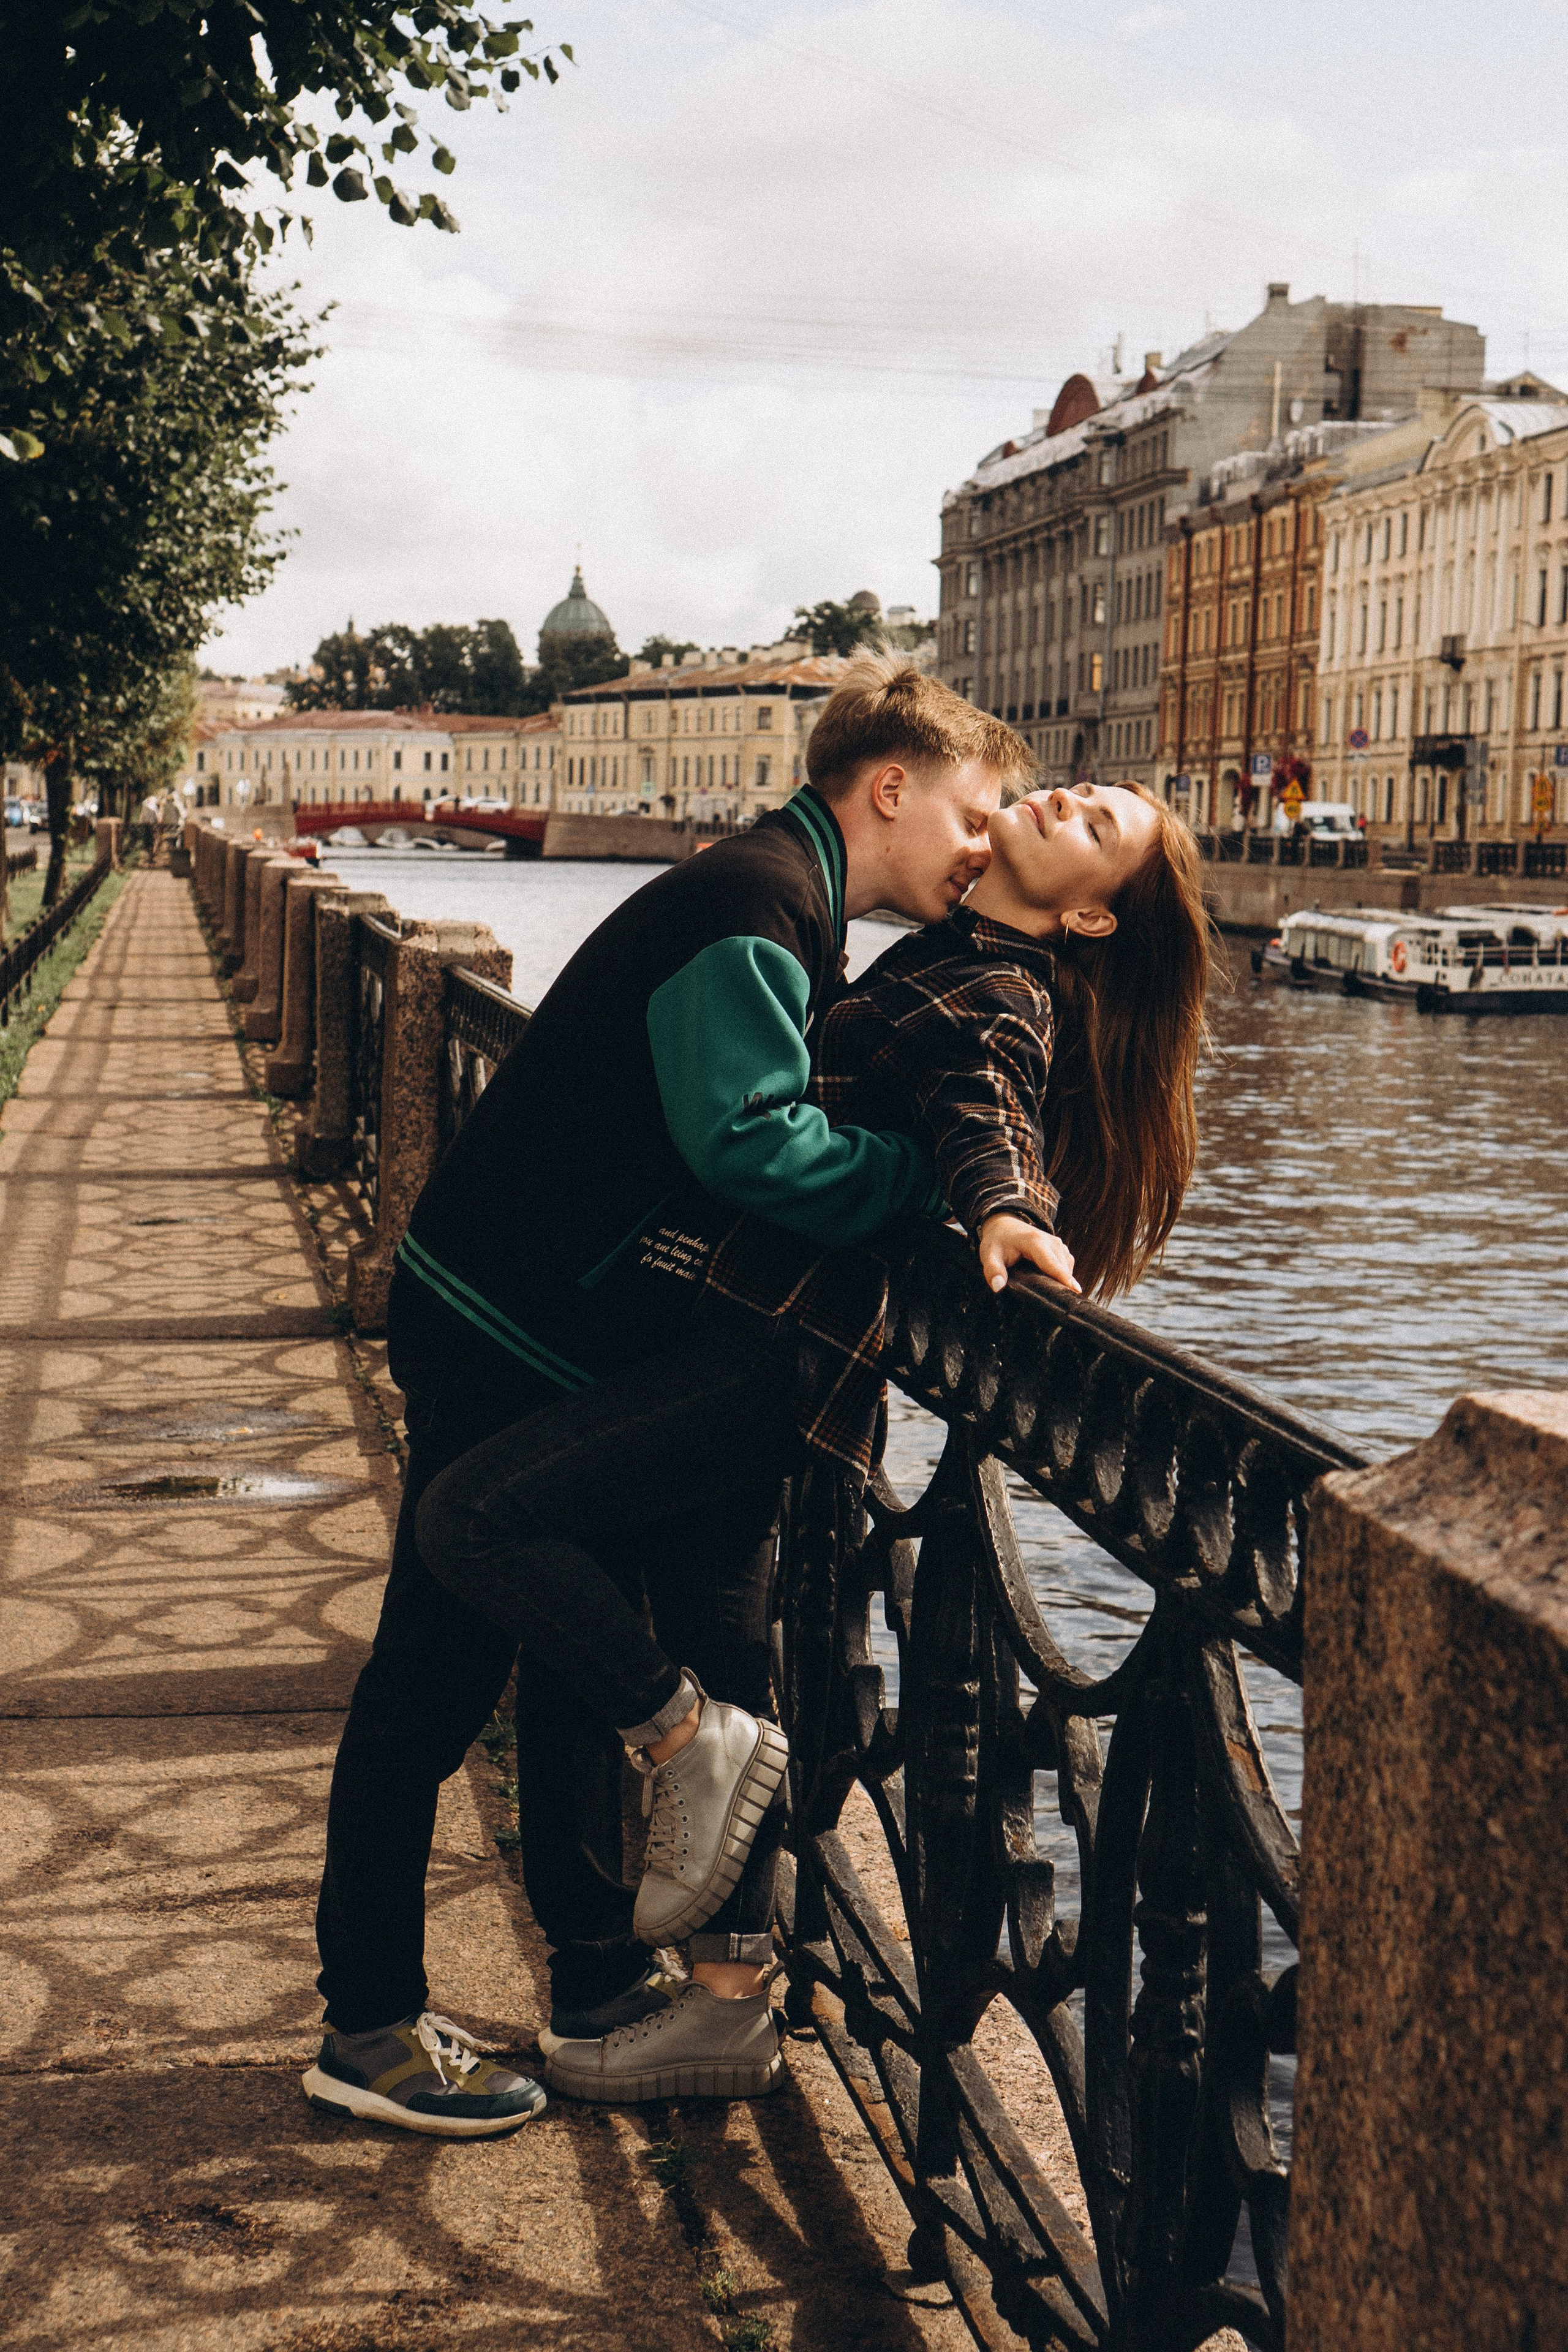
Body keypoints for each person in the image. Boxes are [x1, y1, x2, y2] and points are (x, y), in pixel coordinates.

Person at [303, 660, 1028, 2137]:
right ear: (890, 786)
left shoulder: (771, 894)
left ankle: (584, 1981)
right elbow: (749, 1147)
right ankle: (368, 2026)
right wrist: (922, 1193)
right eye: (975, 810)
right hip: (502, 1316)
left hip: (524, 1309)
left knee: (529, 1659)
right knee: (426, 1686)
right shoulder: (753, 908)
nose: (981, 845)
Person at [412, 770, 1211, 2108]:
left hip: (766, 1356)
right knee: (727, 1654)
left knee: (477, 1519)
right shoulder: (945, 948)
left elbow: (985, 1105)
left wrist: (1004, 1209)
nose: (1062, 801)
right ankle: (724, 2005)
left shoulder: (999, 991)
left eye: (1094, 826)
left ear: (1086, 923)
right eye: (1073, 793)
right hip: (735, 1341)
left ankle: (680, 1753)